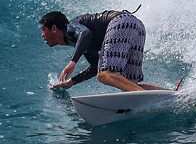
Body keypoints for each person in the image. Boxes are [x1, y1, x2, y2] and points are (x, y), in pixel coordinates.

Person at [39, 9, 169, 91]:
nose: (42, 35)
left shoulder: (71, 27)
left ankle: (143, 96)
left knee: (104, 75)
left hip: (120, 22)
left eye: (44, 29)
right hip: (136, 25)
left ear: (54, 28)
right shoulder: (80, 43)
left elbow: (86, 34)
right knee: (129, 86)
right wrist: (71, 82)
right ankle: (171, 94)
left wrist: (73, 62)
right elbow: (95, 66)